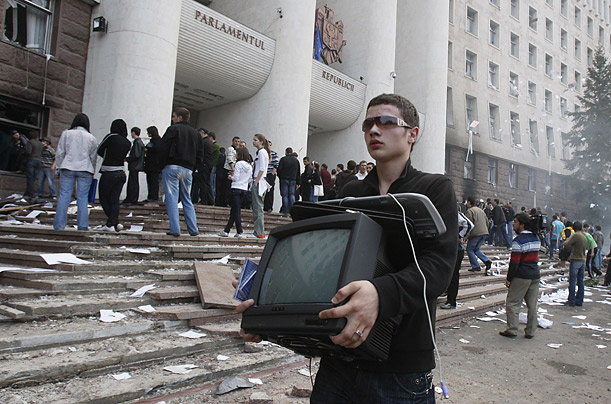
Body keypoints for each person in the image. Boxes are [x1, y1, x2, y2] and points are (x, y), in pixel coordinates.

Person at [237, 93, 458, 403]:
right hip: (338, 361)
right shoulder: (351, 192)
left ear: (413, 134)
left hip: (401, 370)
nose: (374, 130)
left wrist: (380, 294)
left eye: (386, 122)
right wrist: (267, 303)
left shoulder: (434, 188)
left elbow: (439, 268)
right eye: (368, 123)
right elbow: (330, 263)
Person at [159, 107, 202, 237]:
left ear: (179, 117)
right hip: (188, 169)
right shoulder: (196, 134)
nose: (172, 119)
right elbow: (200, 154)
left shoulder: (173, 129)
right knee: (187, 199)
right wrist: (194, 167)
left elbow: (163, 147)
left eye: (174, 116)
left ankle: (175, 228)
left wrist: (161, 165)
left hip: (172, 166)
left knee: (171, 198)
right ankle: (193, 228)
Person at [499, 213, 541, 339]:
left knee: (513, 303)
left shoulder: (518, 241)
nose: (513, 224)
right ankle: (530, 331)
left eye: (515, 222)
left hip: (521, 275)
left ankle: (512, 329)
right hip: (534, 274)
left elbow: (515, 262)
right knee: (532, 305)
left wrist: (509, 278)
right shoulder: (536, 238)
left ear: (522, 225)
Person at [53, 113, 98, 230]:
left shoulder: (66, 134)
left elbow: (60, 153)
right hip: (85, 168)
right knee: (82, 198)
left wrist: (58, 167)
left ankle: (59, 225)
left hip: (67, 166)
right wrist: (92, 170)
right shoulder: (91, 137)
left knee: (64, 195)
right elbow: (93, 157)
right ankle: (82, 225)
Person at [97, 119, 131, 231]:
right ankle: (114, 223)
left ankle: (112, 222)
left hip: (109, 171)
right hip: (121, 172)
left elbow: (100, 150)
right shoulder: (127, 142)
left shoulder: (110, 137)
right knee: (115, 199)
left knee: (104, 198)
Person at [440, 209, 473, 310]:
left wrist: (460, 235)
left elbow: (469, 224)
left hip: (456, 249)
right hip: (453, 248)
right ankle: (447, 293)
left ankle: (451, 301)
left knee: (453, 275)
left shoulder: (454, 213)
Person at [218, 147, 252, 238]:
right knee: (234, 211)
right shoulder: (249, 166)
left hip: (236, 188)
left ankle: (239, 231)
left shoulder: (238, 164)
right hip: (244, 189)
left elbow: (236, 177)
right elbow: (249, 179)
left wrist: (230, 177)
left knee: (236, 211)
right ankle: (226, 230)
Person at [563, 221, 589, 306]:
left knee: (573, 281)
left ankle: (571, 300)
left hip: (575, 260)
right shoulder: (584, 236)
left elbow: (567, 244)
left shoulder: (575, 235)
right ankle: (579, 300)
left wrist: (566, 240)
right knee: (580, 281)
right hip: (582, 260)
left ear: (573, 228)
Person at [465, 195, 492, 275]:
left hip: (476, 233)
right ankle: (487, 261)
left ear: (469, 202)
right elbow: (487, 221)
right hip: (484, 232)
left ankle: (476, 266)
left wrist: (466, 236)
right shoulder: (481, 210)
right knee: (476, 249)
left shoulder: (470, 211)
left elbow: (468, 225)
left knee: (469, 249)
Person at [251, 133, 270, 238]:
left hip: (259, 181)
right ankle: (258, 231)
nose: (253, 141)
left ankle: (259, 232)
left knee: (258, 207)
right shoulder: (262, 152)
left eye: (255, 140)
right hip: (260, 181)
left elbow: (262, 168)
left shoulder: (262, 152)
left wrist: (256, 181)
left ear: (261, 142)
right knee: (257, 207)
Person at [192, 128, 214, 205]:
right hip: (208, 164)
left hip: (204, 164)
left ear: (201, 133)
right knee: (207, 183)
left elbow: (199, 153)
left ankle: (204, 200)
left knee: (203, 183)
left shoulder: (203, 142)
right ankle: (210, 200)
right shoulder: (209, 142)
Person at [123, 127, 144, 205]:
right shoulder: (139, 142)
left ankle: (132, 198)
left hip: (135, 165)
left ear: (133, 132)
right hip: (136, 165)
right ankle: (131, 198)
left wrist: (127, 159)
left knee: (133, 182)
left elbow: (136, 155)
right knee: (133, 182)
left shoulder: (137, 142)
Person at [277, 147, 300, 214]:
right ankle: (292, 211)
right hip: (293, 180)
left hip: (284, 179)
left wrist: (280, 177)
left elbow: (279, 170)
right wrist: (298, 181)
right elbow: (298, 172)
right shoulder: (296, 161)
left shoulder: (283, 159)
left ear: (286, 152)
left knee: (284, 195)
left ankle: (286, 211)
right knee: (292, 195)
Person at [219, 136, 240, 207]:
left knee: (229, 187)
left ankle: (227, 201)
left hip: (232, 170)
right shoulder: (231, 149)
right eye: (235, 141)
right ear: (232, 142)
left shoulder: (237, 150)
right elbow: (230, 159)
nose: (237, 143)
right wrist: (233, 169)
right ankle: (225, 202)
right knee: (227, 187)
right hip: (229, 170)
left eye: (238, 141)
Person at [143, 126, 162, 202]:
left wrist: (148, 150)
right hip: (153, 165)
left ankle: (153, 197)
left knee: (153, 181)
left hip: (153, 165)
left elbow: (156, 150)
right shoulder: (156, 140)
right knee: (152, 181)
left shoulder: (156, 141)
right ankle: (151, 196)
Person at [24, 131, 43, 199]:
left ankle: (30, 194)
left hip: (32, 159)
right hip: (39, 161)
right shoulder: (41, 144)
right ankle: (27, 192)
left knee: (30, 178)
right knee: (34, 177)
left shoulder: (30, 142)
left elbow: (28, 151)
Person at [263, 140, 279, 212]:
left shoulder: (274, 153)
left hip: (270, 174)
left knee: (270, 191)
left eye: (269, 145)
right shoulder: (262, 153)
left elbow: (276, 164)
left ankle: (269, 207)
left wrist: (272, 173)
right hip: (263, 174)